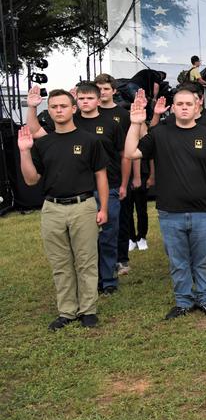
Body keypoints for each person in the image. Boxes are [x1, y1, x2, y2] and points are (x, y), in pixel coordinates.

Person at [125, 89, 206, 320]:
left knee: (203, 260)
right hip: (170, 212)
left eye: (188, 104)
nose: (183, 107)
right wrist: (134, 124)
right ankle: (183, 301)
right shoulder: (160, 134)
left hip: (203, 211)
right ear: (172, 108)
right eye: (179, 104)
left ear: (196, 107)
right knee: (178, 261)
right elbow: (131, 153)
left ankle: (205, 299)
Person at [19, 88, 108, 330]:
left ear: (73, 109)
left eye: (63, 106)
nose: (59, 110)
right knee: (60, 263)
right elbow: (30, 180)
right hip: (52, 209)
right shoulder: (43, 143)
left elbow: (101, 175)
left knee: (86, 260)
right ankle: (67, 312)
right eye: (54, 107)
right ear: (50, 111)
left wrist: (103, 208)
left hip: (84, 206)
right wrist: (24, 151)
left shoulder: (90, 141)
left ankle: (88, 310)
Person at [26, 82, 127, 295]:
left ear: (98, 100)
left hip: (108, 186)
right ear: (76, 102)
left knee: (107, 236)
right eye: (81, 98)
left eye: (89, 98)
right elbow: (35, 132)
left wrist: (125, 183)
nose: (85, 102)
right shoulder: (68, 121)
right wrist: (33, 107)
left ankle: (108, 280)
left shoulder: (111, 123)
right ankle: (83, 283)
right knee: (80, 243)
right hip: (78, 190)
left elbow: (122, 154)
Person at [95, 73, 137, 276]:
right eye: (98, 88)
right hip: (94, 179)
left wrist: (127, 180)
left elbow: (128, 151)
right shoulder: (88, 113)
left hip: (117, 177)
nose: (102, 92)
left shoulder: (123, 114)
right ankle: (101, 262)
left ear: (114, 91)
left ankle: (122, 259)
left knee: (121, 220)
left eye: (105, 88)